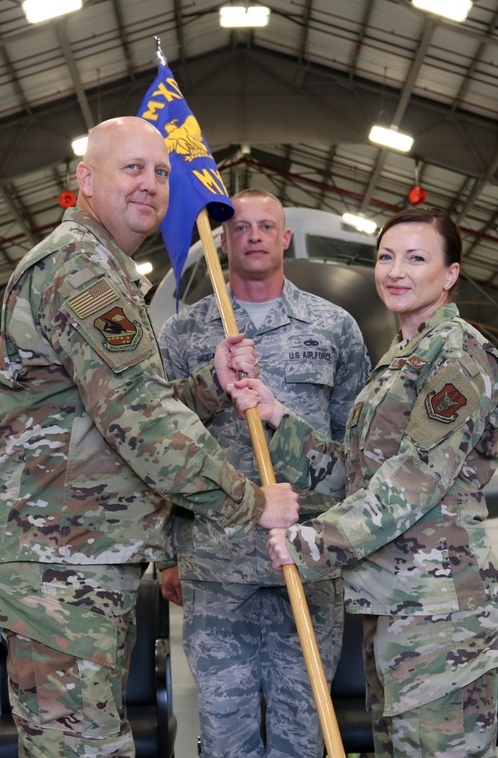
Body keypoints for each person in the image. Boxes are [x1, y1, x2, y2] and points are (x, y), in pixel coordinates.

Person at [0, 116, 299, 758]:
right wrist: (254, 503)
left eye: (161, 172)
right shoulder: (80, 269)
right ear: (85, 180)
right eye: (132, 168)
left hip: (80, 554)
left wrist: (212, 384)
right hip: (59, 560)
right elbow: (142, 424)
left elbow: (112, 412)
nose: (150, 184)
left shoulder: (106, 269)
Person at [232, 206, 498, 757]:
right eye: (386, 257)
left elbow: (412, 483)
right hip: (392, 604)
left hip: (440, 616)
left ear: (450, 274)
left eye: (416, 258)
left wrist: (311, 543)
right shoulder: (400, 359)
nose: (396, 271)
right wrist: (276, 416)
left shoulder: (457, 356)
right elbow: (356, 475)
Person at [157, 188, 370, 758]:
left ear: (285, 238)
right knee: (226, 733)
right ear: (222, 242)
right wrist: (166, 556)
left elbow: (357, 449)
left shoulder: (334, 328)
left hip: (307, 553)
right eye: (240, 227)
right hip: (214, 560)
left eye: (265, 226)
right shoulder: (184, 334)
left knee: (304, 732)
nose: (253, 236)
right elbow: (163, 447)